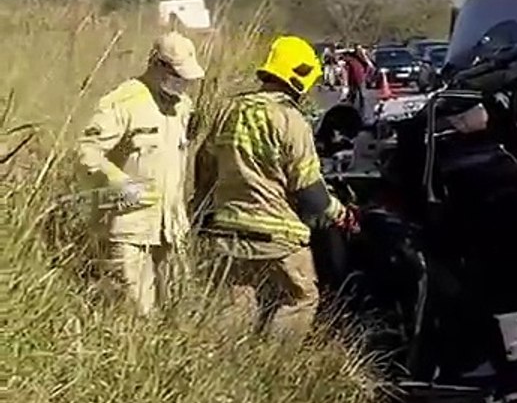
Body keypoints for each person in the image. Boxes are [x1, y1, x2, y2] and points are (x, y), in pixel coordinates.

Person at [192, 35, 355, 336]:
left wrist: (201, 214)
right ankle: (275, 364)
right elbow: (310, 193)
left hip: (226, 228)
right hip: (276, 234)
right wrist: (343, 215)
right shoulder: (290, 120)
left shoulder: (229, 110)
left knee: (237, 301)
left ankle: (226, 366)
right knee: (301, 297)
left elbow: (204, 167)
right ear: (300, 76)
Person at [77, 32, 206, 315]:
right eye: (177, 75)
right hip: (129, 228)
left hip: (171, 229)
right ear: (158, 65)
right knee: (136, 313)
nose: (183, 84)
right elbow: (87, 152)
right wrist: (117, 181)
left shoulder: (183, 105)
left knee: (179, 312)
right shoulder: (124, 101)